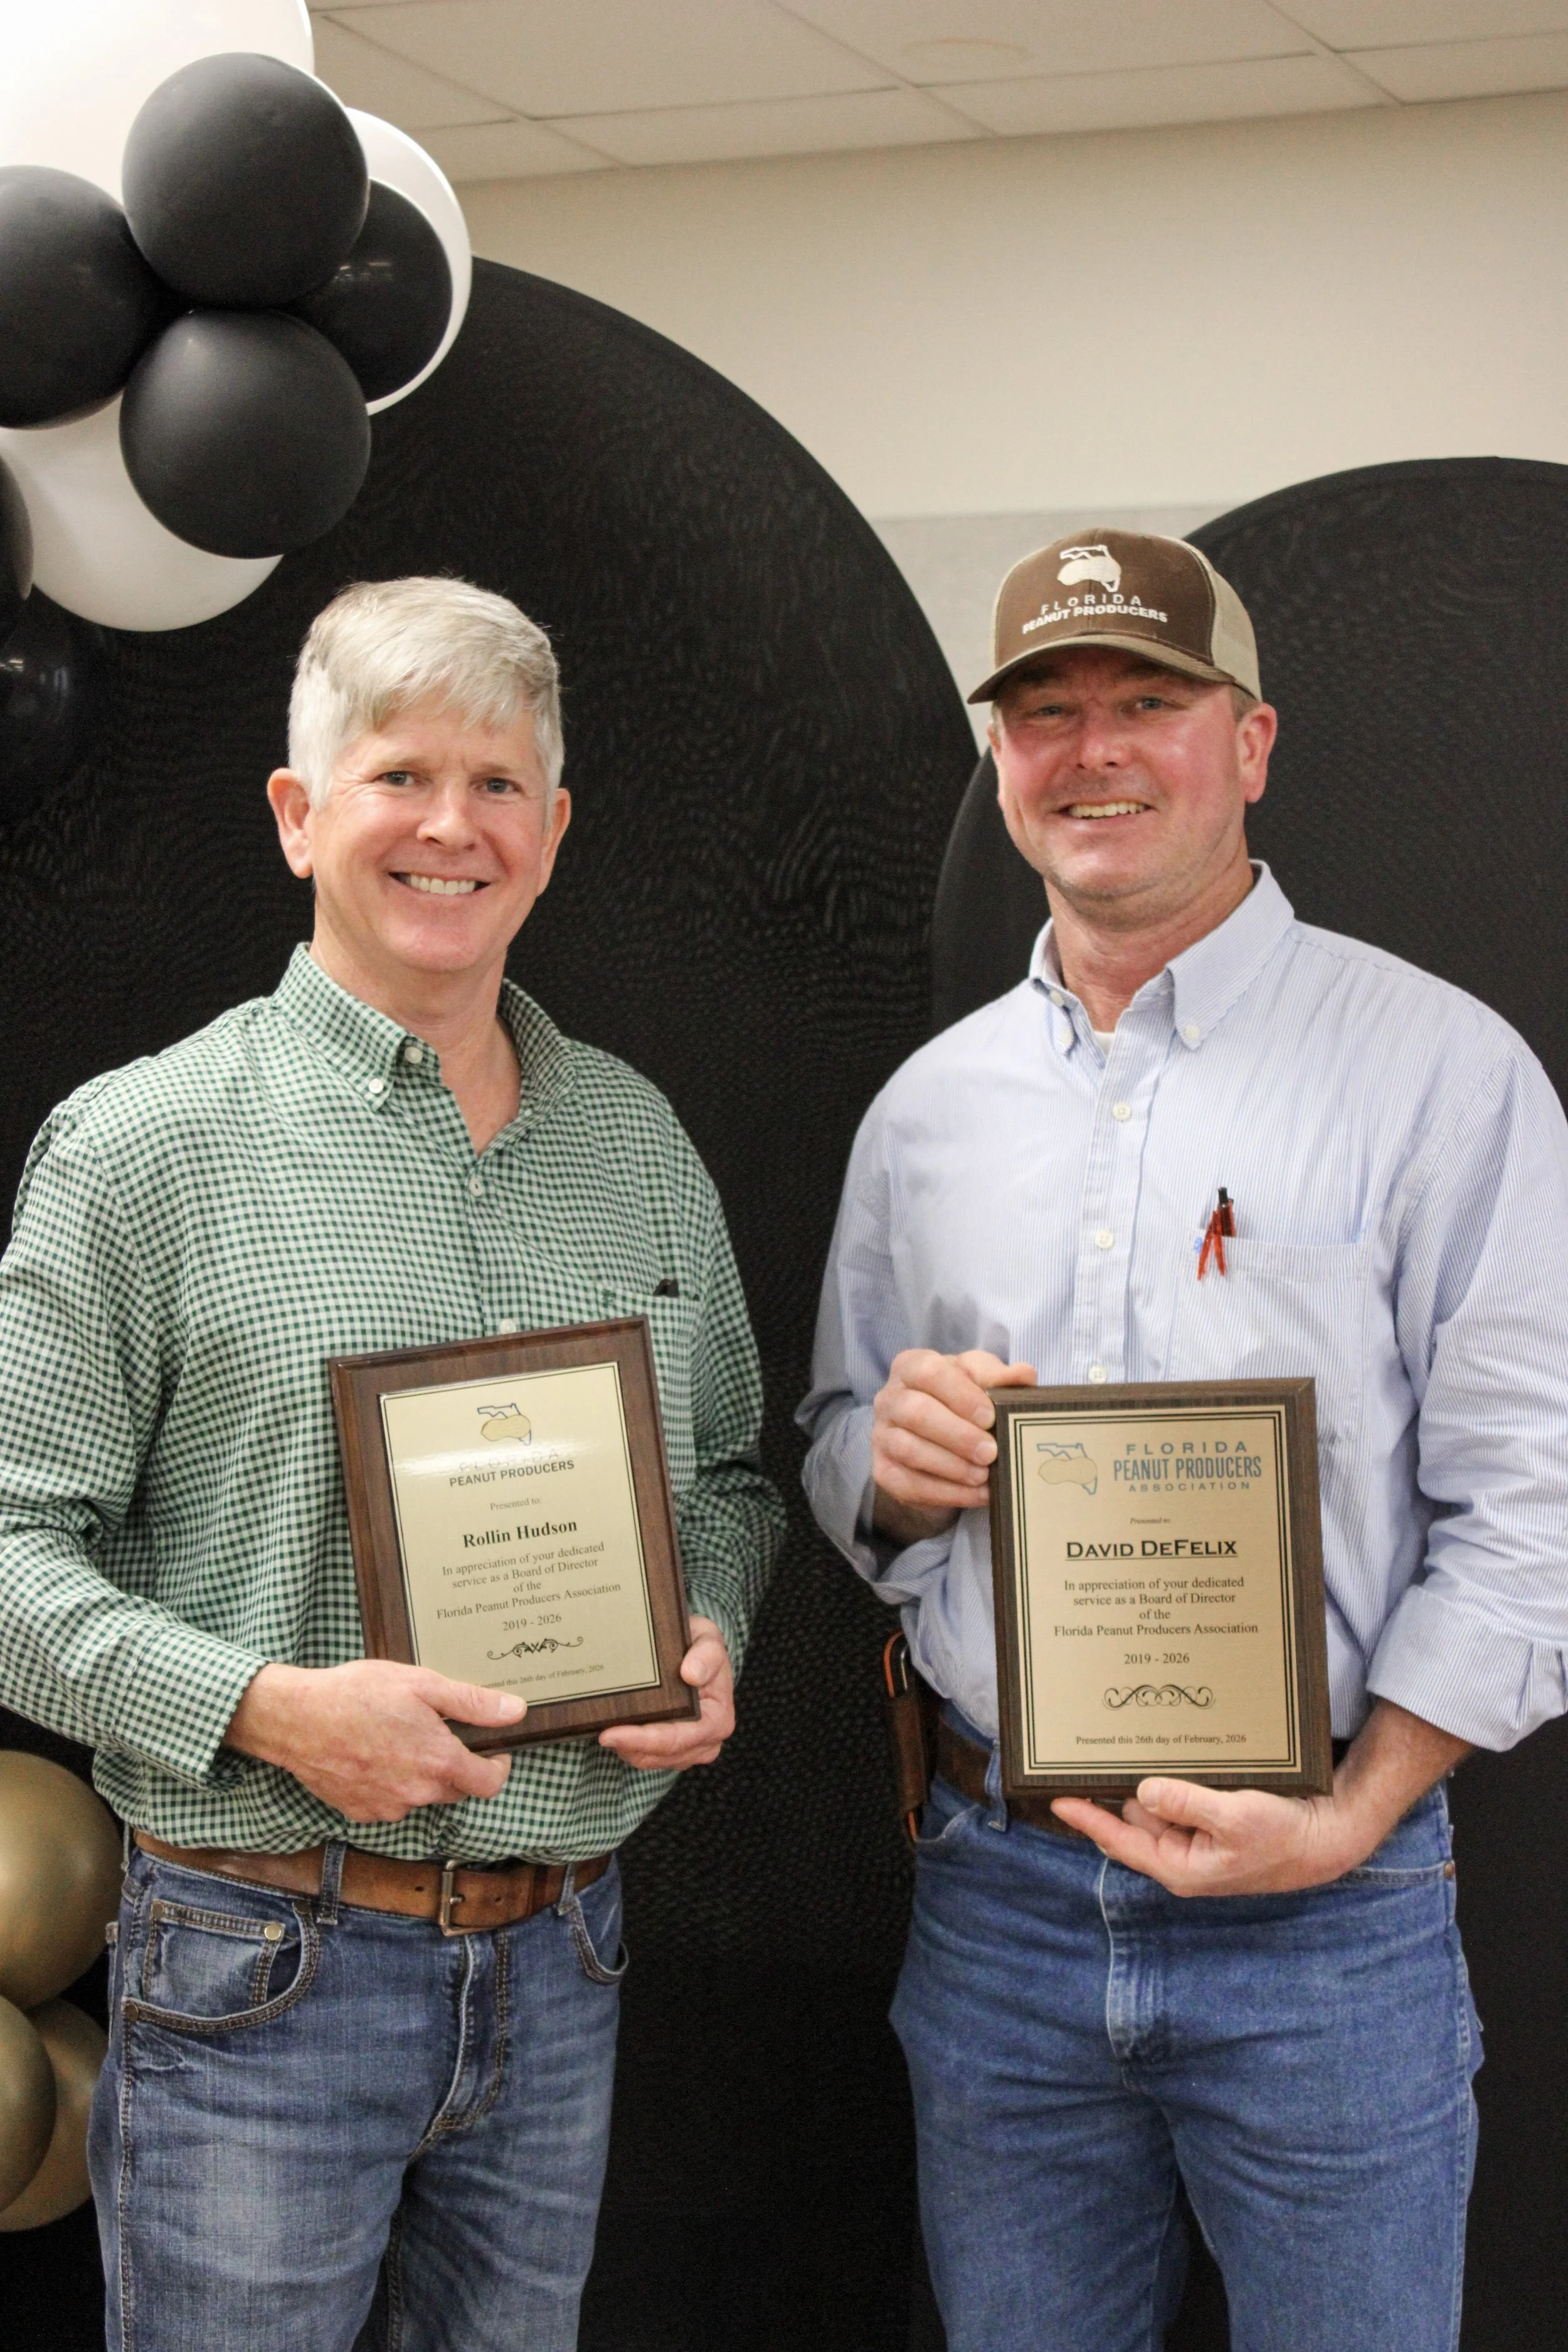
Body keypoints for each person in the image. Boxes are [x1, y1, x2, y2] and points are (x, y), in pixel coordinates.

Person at [798, 529, 1568, 2352]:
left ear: (1252, 742)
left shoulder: (1437, 1072)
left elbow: (1531, 1500)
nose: (1097, 748)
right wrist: (889, 1474)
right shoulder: (927, 1115)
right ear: (1000, 765)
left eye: (1150, 699)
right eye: (1048, 711)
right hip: (999, 1906)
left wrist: (1354, 1814)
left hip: (1329, 1913)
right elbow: (838, 1441)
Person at [0, 576, 784, 2351]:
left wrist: (711, 1620)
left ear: (556, 829)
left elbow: (729, 1476)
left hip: (565, 1956)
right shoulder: (143, 1149)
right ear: (298, 814)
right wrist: (267, 1705)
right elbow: (7, 1553)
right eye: (398, 774)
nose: (453, 825)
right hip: (258, 1965)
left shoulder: (637, 1141)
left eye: (499, 783)